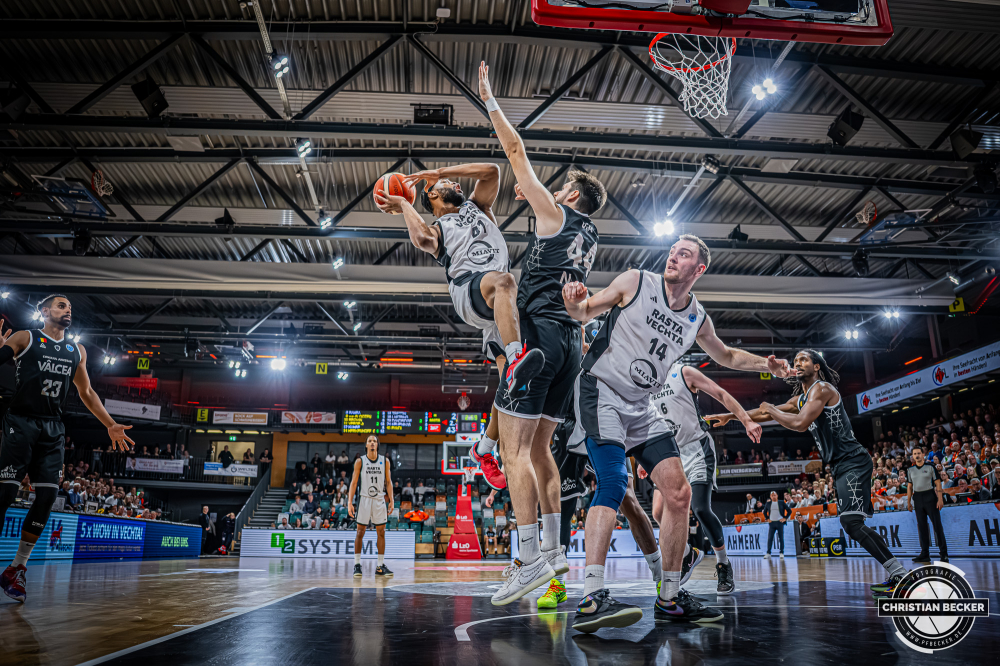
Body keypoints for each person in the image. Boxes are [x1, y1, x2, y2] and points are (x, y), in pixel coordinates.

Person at [562, 235, 791, 630]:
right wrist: (573, 299)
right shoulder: (635, 282)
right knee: (614, 482)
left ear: (698, 269)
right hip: (601, 390)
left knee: (679, 492)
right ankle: (592, 597)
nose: (672, 258)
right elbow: (584, 311)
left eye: (683, 254)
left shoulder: (696, 317)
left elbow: (728, 355)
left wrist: (766, 365)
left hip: (640, 405)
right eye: (671, 252)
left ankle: (668, 598)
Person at [476, 61, 606, 606]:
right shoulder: (591, 237)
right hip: (569, 348)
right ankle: (553, 558)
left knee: (514, 455)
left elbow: (516, 157)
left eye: (563, 186)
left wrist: (491, 102)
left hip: (540, 342)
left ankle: (525, 560)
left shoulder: (557, 216)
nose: (553, 188)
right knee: (543, 453)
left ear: (572, 196)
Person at [375, 160, 546, 495]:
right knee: (507, 281)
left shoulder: (477, 207)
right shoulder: (438, 227)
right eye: (444, 184)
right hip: (471, 291)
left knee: (509, 391)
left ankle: (483, 449)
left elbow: (493, 171)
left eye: (451, 180)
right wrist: (406, 204)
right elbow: (422, 239)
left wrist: (440, 172)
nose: (453, 182)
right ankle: (515, 359)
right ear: (434, 199)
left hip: (501, 308)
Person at [709, 349, 908, 600]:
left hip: (853, 461)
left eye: (803, 359)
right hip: (840, 466)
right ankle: (898, 574)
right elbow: (762, 414)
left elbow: (799, 423)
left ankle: (900, 576)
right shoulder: (800, 398)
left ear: (816, 366)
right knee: (853, 523)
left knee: (851, 523)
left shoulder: (822, 389)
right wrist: (730, 416)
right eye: (795, 361)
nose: (798, 363)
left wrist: (770, 407)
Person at [0, 297, 135, 603]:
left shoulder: (77, 350)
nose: (67, 310)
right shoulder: (26, 336)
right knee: (5, 494)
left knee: (47, 496)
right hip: (20, 422)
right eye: (61, 306)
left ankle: (16, 567)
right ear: (44, 312)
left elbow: (86, 391)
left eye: (70, 307)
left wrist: (110, 424)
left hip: (52, 427)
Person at [643, 361, 760, 593]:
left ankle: (723, 563)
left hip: (696, 449)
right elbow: (647, 420)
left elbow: (720, 393)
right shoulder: (647, 380)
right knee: (657, 511)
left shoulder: (683, 372)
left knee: (700, 508)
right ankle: (688, 553)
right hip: (668, 453)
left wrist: (746, 420)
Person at [347, 435, 393, 578]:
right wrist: (349, 502)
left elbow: (389, 482)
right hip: (365, 499)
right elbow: (353, 483)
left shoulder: (385, 461)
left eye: (374, 441)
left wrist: (391, 500)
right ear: (366, 445)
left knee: (381, 533)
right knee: (360, 532)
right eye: (369, 441)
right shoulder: (360, 461)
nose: (372, 443)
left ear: (377, 445)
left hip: (379, 499)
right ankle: (357, 565)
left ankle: (379, 566)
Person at [906, 446, 948, 564]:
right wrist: (909, 501)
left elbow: (938, 484)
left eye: (919, 453)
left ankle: (943, 554)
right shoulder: (910, 470)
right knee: (922, 527)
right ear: (913, 456)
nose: (917, 455)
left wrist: (940, 499)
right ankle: (925, 553)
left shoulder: (931, 467)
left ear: (923, 454)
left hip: (930, 496)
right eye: (915, 454)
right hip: (918, 498)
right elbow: (910, 486)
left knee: (937, 526)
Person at [761, 491, 791, 559]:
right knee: (770, 538)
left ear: (777, 495)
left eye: (774, 495)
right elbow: (765, 511)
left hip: (779, 522)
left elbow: (789, 510)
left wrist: (785, 518)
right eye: (772, 495)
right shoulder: (768, 503)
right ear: (770, 497)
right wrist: (767, 518)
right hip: (772, 523)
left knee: (781, 538)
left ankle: (781, 552)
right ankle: (768, 553)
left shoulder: (781, 502)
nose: (773, 496)